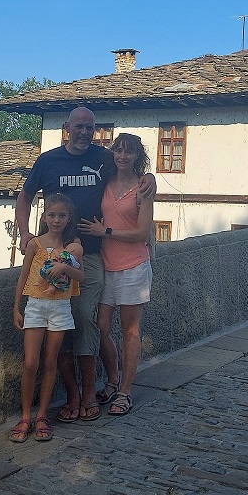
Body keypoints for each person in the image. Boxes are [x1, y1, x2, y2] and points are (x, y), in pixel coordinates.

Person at [14, 107, 155, 423]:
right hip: (49, 256)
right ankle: (74, 394)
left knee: (82, 319)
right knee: (59, 324)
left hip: (91, 256)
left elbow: (130, 168)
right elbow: (24, 198)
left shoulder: (103, 158)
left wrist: (151, 178)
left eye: (90, 127)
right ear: (67, 128)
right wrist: (24, 233)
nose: (84, 132)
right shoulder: (47, 160)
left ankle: (91, 391)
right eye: (79, 126)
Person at [79, 133, 154, 417]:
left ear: (137, 156)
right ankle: (112, 378)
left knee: (130, 330)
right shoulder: (105, 182)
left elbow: (142, 233)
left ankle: (125, 391)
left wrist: (106, 232)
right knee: (101, 325)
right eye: (119, 151)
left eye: (129, 152)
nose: (123, 156)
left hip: (133, 266)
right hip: (106, 264)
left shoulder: (142, 189)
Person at [10, 194, 83, 443]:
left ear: (68, 218)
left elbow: (80, 276)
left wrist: (65, 267)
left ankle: (41, 415)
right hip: (37, 305)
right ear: (44, 217)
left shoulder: (72, 246)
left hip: (60, 306)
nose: (56, 220)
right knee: (31, 362)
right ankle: (25, 415)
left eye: (62, 215)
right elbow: (23, 276)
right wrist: (17, 307)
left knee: (50, 362)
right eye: (52, 215)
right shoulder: (35, 244)